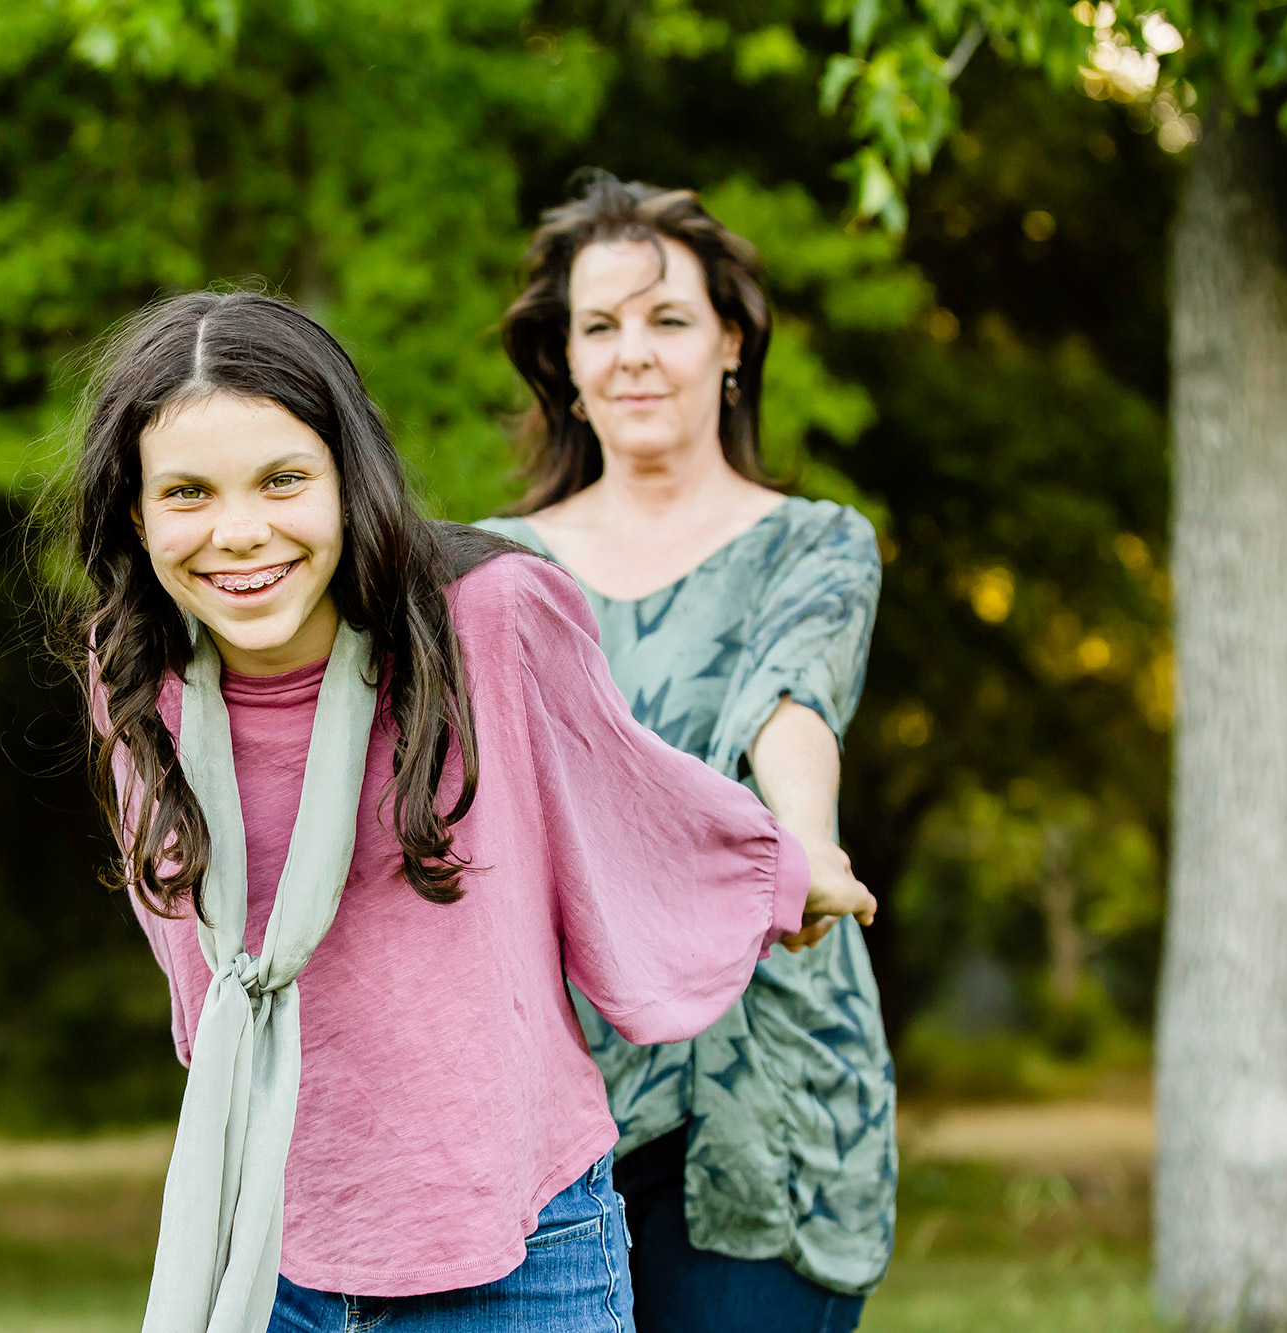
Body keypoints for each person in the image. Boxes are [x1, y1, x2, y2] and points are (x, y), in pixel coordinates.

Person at [34, 288, 877, 1333]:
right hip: (265, 1241)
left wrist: (782, 868)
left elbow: (628, 797)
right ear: (133, 510)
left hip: (510, 1254)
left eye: (283, 479)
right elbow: (195, 966)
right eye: (188, 493)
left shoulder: (490, 617)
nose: (238, 532)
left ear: (349, 478)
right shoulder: (130, 674)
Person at [477, 172, 895, 1333]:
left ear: (729, 341)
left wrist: (804, 843)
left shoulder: (815, 542)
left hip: (765, 1080)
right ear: (561, 361)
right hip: (559, 1083)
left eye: (666, 319)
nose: (634, 354)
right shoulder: (491, 570)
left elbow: (786, 701)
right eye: (599, 326)